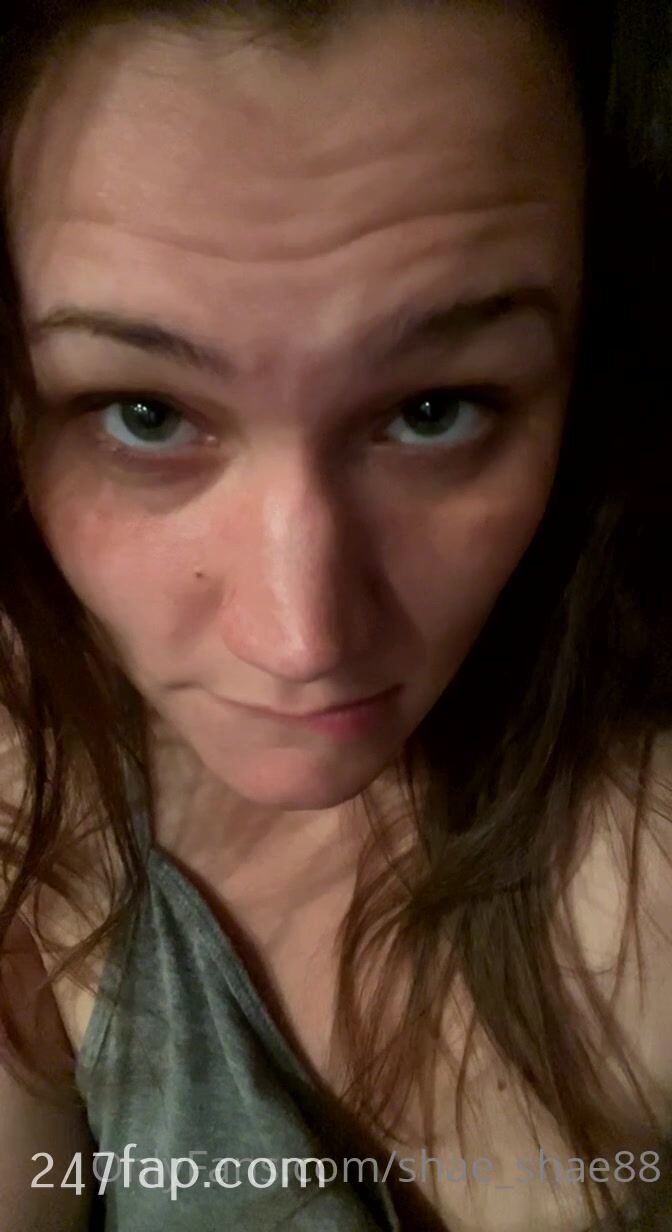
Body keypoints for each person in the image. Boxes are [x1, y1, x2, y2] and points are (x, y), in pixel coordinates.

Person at [0, 1, 671, 1229]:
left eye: (434, 409)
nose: (302, 639)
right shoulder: (27, 742)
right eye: (146, 413)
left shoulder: (640, 887)